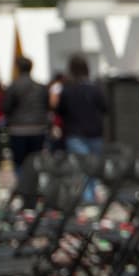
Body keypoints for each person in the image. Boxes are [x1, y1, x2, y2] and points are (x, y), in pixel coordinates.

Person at [55, 54, 107, 201]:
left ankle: (88, 199)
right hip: (95, 133)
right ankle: (92, 196)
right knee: (93, 168)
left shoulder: (67, 90)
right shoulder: (95, 89)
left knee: (82, 169)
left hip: (75, 134)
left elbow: (60, 111)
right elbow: (105, 107)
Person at [0, 56, 50, 171]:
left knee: (19, 163)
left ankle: (22, 186)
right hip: (38, 128)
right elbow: (47, 106)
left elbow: (6, 107)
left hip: (18, 129)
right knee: (36, 162)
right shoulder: (40, 87)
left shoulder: (13, 86)